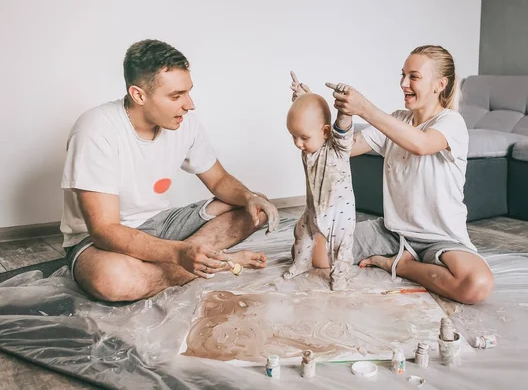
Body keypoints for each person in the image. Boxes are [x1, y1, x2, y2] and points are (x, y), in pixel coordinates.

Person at [61, 39, 279, 302]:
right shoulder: (95, 130)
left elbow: (219, 179)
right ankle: (216, 263)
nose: (189, 104)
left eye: (188, 92)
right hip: (100, 241)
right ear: (139, 95)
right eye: (176, 96)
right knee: (113, 280)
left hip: (161, 224)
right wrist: (179, 253)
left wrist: (249, 198)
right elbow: (105, 229)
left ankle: (174, 269)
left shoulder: (183, 121)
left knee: (256, 206)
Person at [290, 45, 494, 304]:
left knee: (476, 285)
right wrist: (311, 113)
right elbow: (342, 149)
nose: (403, 83)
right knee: (316, 255)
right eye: (403, 75)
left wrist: (365, 109)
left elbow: (421, 144)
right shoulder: (398, 120)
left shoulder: (451, 122)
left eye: (414, 76)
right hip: (392, 233)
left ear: (439, 84)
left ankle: (401, 266)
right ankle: (402, 257)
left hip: (440, 237)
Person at [282, 85, 354, 290]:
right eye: (293, 136)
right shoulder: (309, 145)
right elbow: (307, 115)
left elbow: (342, 127)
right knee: (301, 234)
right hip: (312, 208)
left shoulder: (338, 147)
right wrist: (301, 98)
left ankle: (339, 276)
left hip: (339, 213)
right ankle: (301, 263)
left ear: (325, 131)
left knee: (341, 248)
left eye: (303, 137)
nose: (298, 143)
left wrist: (344, 110)